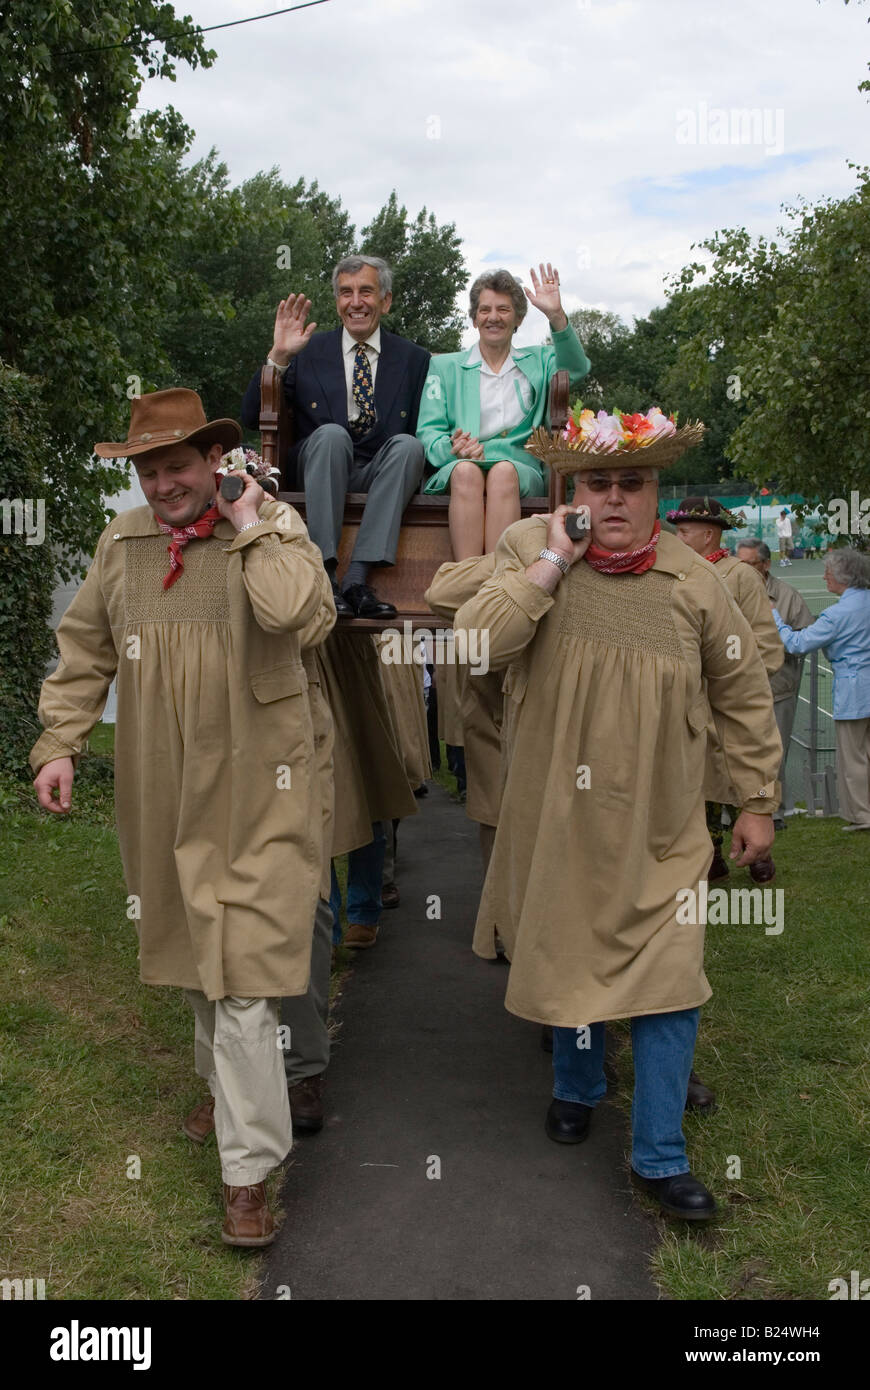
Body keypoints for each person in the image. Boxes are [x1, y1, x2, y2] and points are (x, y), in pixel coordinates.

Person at [31, 389, 336, 1246]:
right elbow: (85, 645)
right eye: (149, 469)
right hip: (162, 782)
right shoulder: (123, 545)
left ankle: (248, 1173)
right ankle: (226, 1094)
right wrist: (61, 742)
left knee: (242, 973)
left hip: (261, 782)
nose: (164, 483)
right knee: (196, 955)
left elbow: (300, 617)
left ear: (216, 462)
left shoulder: (272, 528)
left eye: (179, 465)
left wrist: (251, 526)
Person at [456, 454, 780, 1220]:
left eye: (630, 486)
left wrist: (758, 802)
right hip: (556, 817)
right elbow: (475, 645)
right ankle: (577, 1087)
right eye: (597, 485)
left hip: (660, 823)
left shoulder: (695, 582)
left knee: (672, 982)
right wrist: (552, 563)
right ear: (574, 492)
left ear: (655, 494)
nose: (613, 500)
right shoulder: (534, 549)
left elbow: (742, 693)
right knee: (572, 953)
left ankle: (660, 1156)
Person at [241, 255, 429, 619]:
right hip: (320, 464)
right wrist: (278, 356)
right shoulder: (307, 351)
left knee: (410, 446)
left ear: (385, 301)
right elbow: (252, 415)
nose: (355, 302)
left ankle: (357, 579)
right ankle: (324, 573)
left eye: (366, 292)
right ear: (337, 301)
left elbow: (431, 425)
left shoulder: (414, 359)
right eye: (346, 293)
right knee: (331, 436)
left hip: (379, 472)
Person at [416, 264, 591, 559]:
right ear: (474, 318)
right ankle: (468, 578)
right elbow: (428, 432)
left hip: (520, 467)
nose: (493, 317)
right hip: (460, 465)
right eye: (484, 310)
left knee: (503, 472)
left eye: (503, 309)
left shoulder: (541, 360)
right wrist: (453, 449)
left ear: (518, 318)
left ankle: (498, 583)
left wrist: (555, 316)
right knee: (466, 473)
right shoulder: (444, 367)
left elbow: (576, 368)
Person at [669, 497, 783, 884]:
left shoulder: (740, 576)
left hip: (726, 701)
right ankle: (711, 852)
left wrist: (742, 683)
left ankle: (758, 853)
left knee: (739, 777)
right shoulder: (674, 574)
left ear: (708, 534)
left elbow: (765, 644)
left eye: (685, 531)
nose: (678, 537)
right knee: (698, 784)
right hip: (688, 703)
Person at [773, 548, 870, 829]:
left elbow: (796, 644)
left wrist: (776, 619)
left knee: (853, 758)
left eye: (828, 573)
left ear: (844, 577)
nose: (825, 577)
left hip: (853, 690)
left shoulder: (836, 615)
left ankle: (861, 814)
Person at [736, 537, 813, 829]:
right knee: (738, 753)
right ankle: (734, 812)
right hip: (736, 688)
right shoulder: (726, 589)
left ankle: (773, 812)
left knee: (773, 755)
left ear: (766, 565)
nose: (742, 570)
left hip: (777, 688)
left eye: (750, 564)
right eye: (738, 563)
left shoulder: (787, 596)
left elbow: (805, 638)